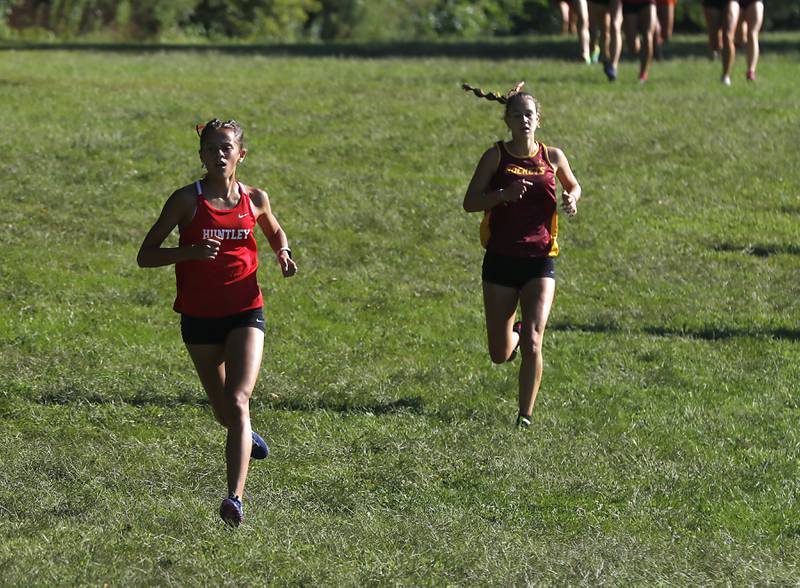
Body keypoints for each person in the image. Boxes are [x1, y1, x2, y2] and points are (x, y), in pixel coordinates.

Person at [137, 118, 298, 527]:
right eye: (211, 148)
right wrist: (188, 251)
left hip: (246, 310)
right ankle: (246, 439)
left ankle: (234, 499)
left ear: (241, 154)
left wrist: (283, 252)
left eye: (226, 147)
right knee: (224, 412)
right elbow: (146, 254)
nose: (219, 154)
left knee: (240, 400)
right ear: (202, 156)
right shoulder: (185, 201)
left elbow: (276, 232)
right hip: (198, 317)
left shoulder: (255, 198)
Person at [461, 82, 582, 428]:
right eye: (517, 116)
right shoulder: (495, 157)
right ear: (508, 122)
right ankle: (512, 332)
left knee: (534, 340)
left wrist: (572, 197)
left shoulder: (553, 157)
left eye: (529, 115)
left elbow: (573, 184)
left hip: (540, 260)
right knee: (500, 354)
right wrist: (503, 194)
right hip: (500, 260)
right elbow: (470, 203)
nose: (524, 121)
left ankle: (524, 416)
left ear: (538, 120)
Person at [621, 0, 657, 82]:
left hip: (648, 2)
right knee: (632, 45)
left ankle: (643, 72)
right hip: (629, 4)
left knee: (648, 36)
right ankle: (644, 56)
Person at [733, 0, 764, 81]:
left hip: (754, 1)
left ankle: (751, 71)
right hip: (735, 2)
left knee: (752, 33)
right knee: (739, 38)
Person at [588, 0, 612, 64]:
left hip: (607, 3)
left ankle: (606, 55)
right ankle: (594, 50)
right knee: (593, 31)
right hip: (593, 3)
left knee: (606, 30)